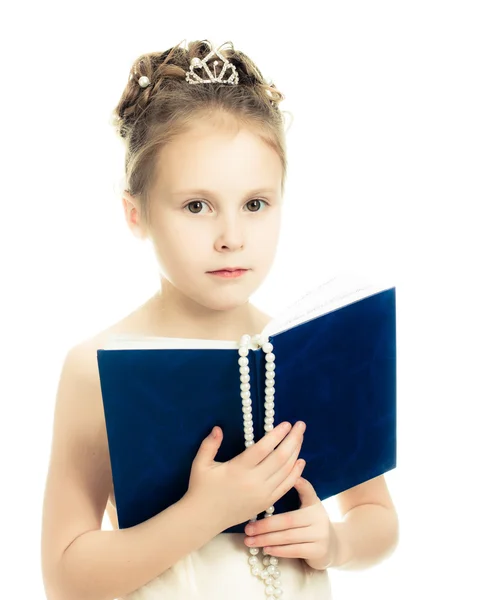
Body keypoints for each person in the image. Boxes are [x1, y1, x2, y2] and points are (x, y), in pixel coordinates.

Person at [40, 39, 399, 600]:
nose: (231, 236)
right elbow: (64, 577)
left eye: (255, 204)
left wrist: (334, 542)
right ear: (136, 213)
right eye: (196, 206)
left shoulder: (304, 351)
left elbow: (377, 517)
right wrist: (203, 513)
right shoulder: (97, 366)